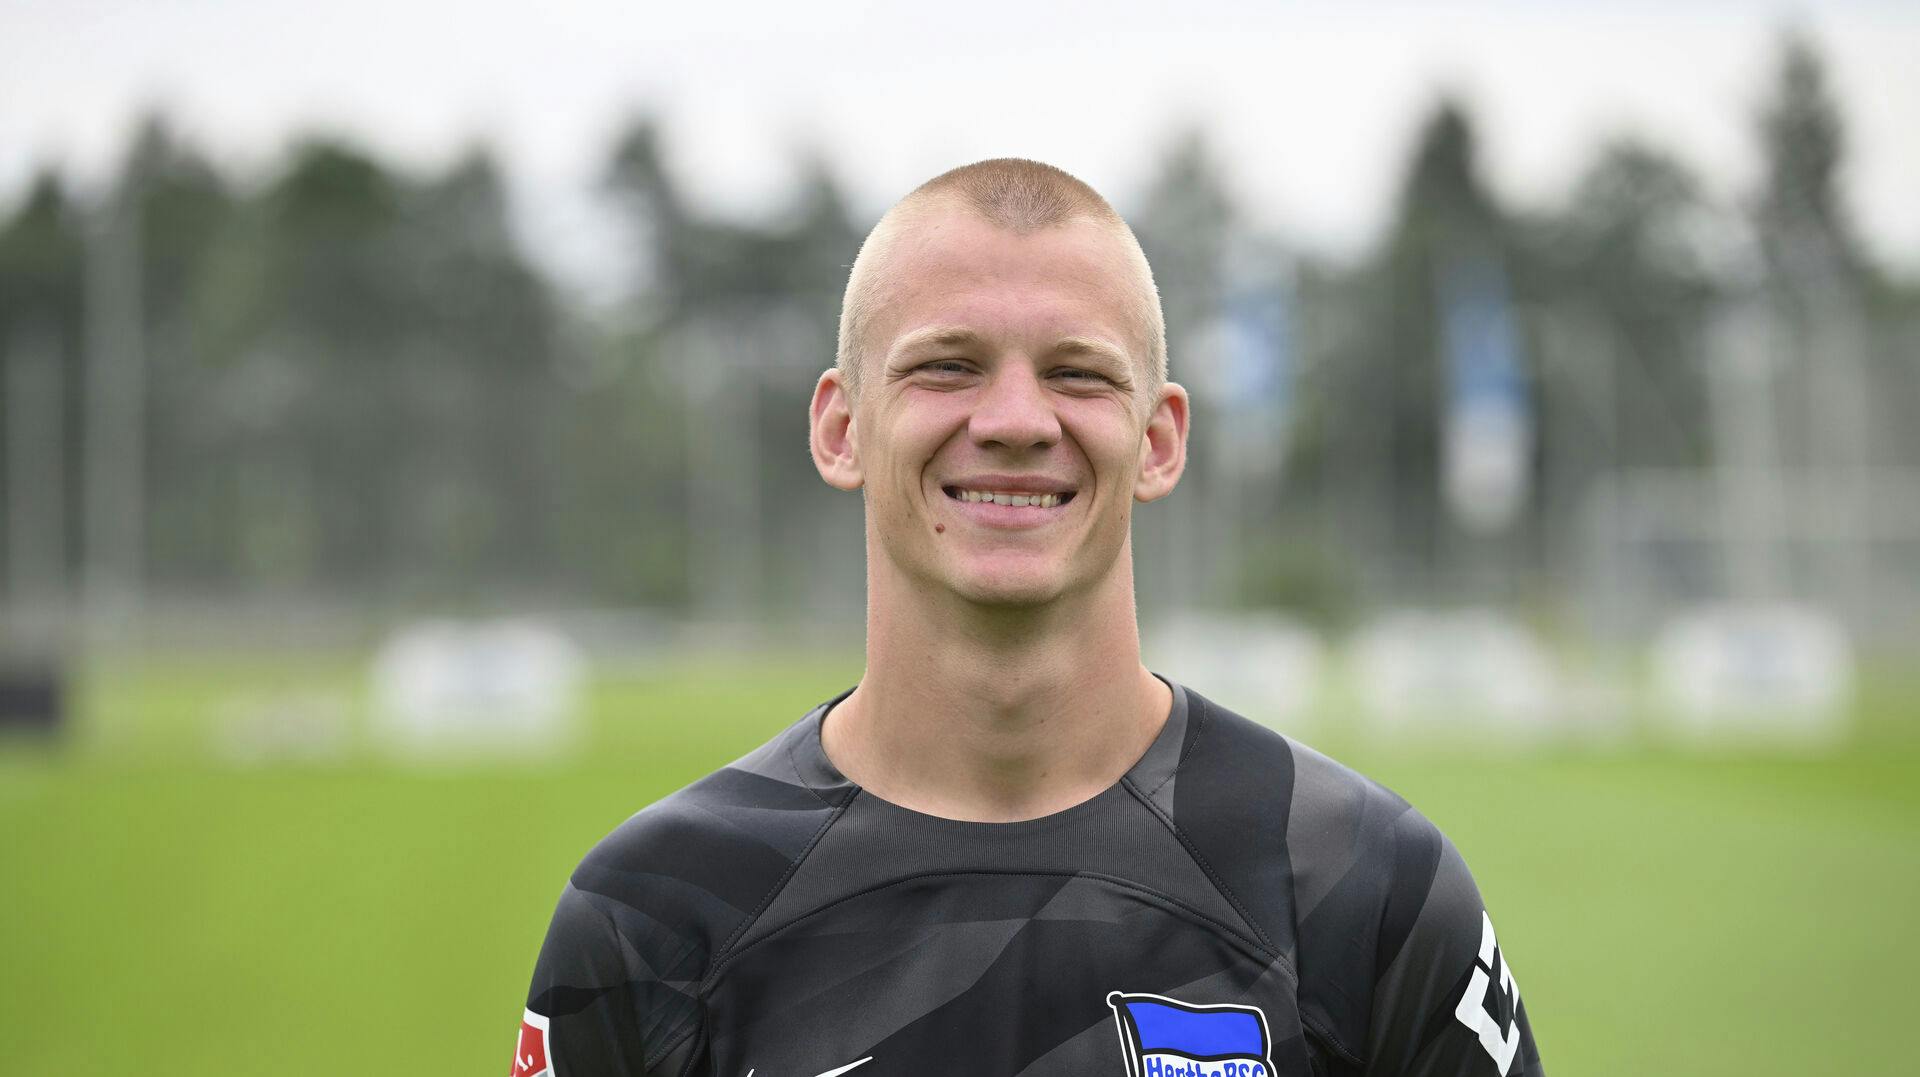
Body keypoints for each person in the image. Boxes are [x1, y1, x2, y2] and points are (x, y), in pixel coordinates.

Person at [512, 159, 1543, 1077]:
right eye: (947, 365)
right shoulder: (651, 917)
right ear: (840, 428)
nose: (1013, 422)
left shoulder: (1368, 888)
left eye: (1077, 374)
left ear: (1159, 440)